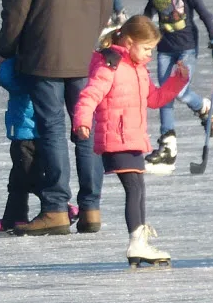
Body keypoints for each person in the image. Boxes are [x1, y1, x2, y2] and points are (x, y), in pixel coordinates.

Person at [0, 0, 112, 236]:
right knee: (85, 126)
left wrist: (7, 48)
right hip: (83, 51)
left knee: (50, 128)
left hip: (43, 52)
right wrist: (90, 37)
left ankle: (56, 208)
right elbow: (106, 1)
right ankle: (91, 208)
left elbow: (17, 3)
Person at [72, 16, 191, 265]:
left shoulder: (138, 69)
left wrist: (177, 81)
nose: (149, 54)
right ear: (129, 42)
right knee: (135, 187)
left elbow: (155, 99)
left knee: (138, 188)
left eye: (151, 50)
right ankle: (136, 242)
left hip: (133, 138)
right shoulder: (109, 66)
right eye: (146, 48)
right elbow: (89, 95)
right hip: (117, 137)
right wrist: (82, 120)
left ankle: (139, 241)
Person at [142, 0, 213, 173]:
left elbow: (205, 14)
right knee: (163, 95)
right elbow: (150, 10)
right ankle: (168, 145)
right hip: (165, 49)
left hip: (186, 49)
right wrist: (140, 31)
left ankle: (205, 108)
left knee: (177, 91)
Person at [0, 58, 41, 232]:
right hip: (28, 130)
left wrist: (4, 62)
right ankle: (13, 217)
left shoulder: (22, 69)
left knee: (28, 175)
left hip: (25, 131)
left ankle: (60, 206)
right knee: (17, 178)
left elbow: (7, 78)